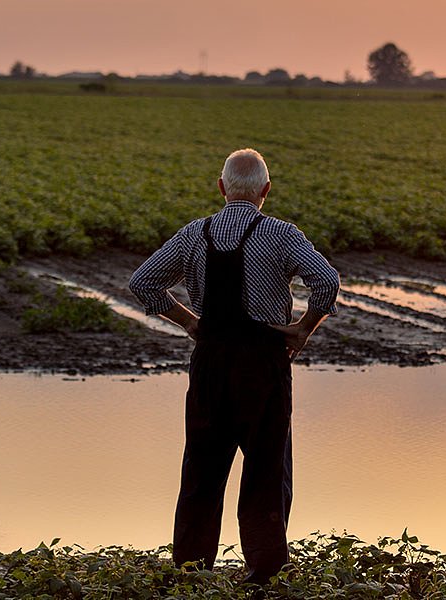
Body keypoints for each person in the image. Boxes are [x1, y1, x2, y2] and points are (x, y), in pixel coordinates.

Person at [127, 148, 339, 584]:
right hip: (264, 365)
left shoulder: (194, 234)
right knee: (266, 468)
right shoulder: (282, 235)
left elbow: (142, 281)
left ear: (222, 188)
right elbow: (327, 281)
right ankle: (262, 573)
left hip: (211, 364)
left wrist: (190, 323)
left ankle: (191, 572)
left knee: (202, 469)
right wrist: (303, 329)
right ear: (266, 190)